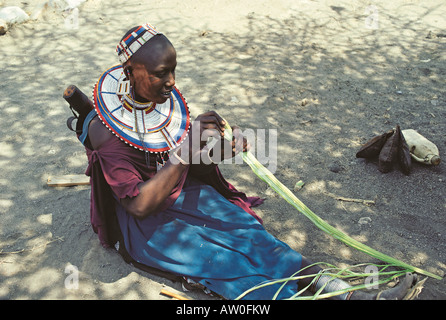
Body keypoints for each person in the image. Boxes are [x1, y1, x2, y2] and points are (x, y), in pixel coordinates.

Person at [81, 23, 416, 300]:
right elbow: (139, 204)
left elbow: (188, 156)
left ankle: (347, 294)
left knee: (251, 235)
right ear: (130, 71)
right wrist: (188, 146)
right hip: (148, 225)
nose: (171, 82)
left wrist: (228, 146)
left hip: (181, 192)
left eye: (173, 71)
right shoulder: (105, 132)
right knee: (225, 260)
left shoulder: (162, 104)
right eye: (161, 73)